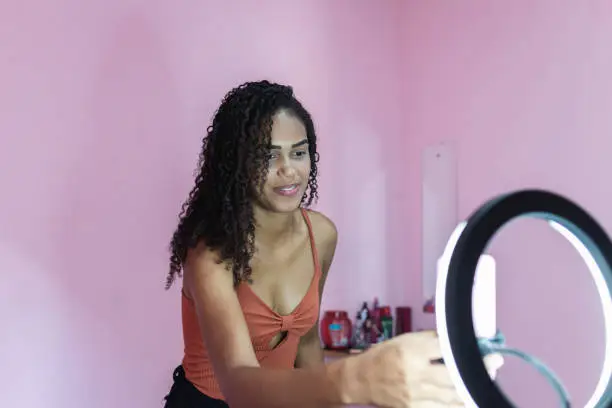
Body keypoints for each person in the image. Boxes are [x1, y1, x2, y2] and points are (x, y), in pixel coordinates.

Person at [162, 80, 481, 408]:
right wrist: (357, 379)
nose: (288, 170)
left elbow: (307, 341)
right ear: (237, 166)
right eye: (268, 156)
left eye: (298, 152)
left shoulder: (322, 236)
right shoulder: (210, 254)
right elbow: (239, 386)